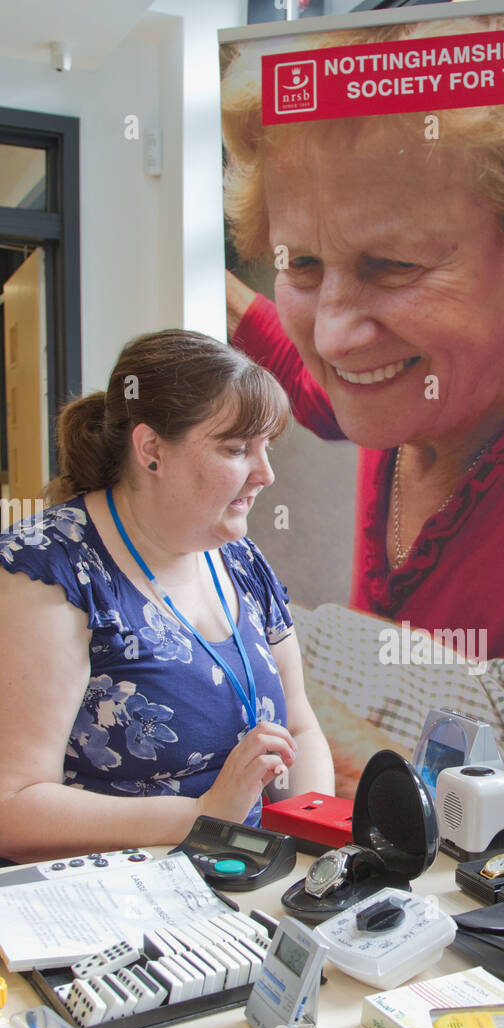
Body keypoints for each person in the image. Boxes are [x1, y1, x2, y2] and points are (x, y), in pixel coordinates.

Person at [220, 6, 504, 801]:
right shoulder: (410, 380)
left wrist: (316, 735)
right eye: (304, 264)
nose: (339, 337)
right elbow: (321, 392)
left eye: (392, 266)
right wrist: (230, 302)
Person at [0, 329, 334, 861]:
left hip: (248, 878)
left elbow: (299, 725)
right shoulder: (51, 566)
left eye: (266, 447)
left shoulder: (242, 560)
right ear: (152, 449)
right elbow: (12, 808)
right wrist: (202, 817)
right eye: (236, 448)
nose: (266, 474)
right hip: (119, 899)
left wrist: (314, 848)